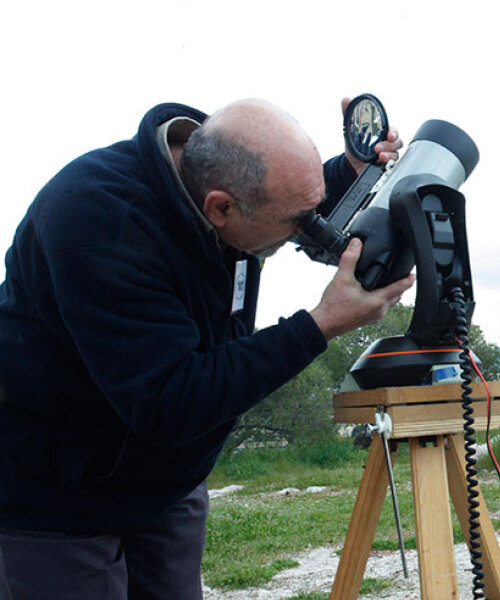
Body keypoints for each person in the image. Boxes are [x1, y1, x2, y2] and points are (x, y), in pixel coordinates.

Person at [0, 98, 416, 599]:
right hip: (59, 495)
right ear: (220, 207)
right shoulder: (98, 221)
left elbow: (280, 205)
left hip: (166, 483)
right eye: (297, 222)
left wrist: (348, 173)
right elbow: (168, 399)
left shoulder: (220, 174)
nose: (309, 232)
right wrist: (320, 325)